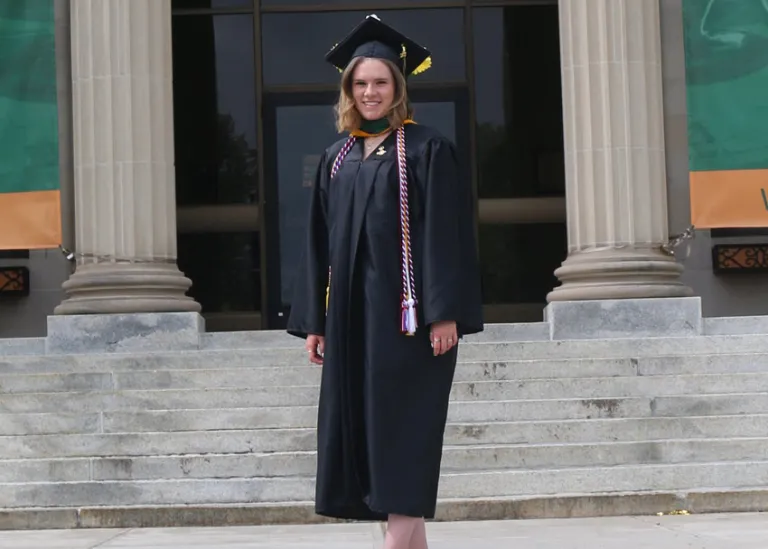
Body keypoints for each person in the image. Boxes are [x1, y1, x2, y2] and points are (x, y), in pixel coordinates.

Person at [286, 14, 483, 549]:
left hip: (409, 322)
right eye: (360, 83)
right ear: (348, 89)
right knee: (370, 436)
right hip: (352, 319)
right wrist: (315, 321)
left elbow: (445, 235)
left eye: (380, 82)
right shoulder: (337, 158)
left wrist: (444, 312)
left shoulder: (426, 149)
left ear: (398, 87)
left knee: (406, 431)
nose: (370, 92)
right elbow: (318, 244)